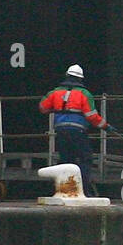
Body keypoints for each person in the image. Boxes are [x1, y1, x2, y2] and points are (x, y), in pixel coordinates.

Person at [39, 64, 109, 195]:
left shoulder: (55, 92)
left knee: (66, 159)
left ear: (66, 76)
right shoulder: (84, 94)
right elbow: (92, 116)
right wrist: (105, 126)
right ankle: (84, 190)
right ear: (80, 79)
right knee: (85, 158)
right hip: (78, 131)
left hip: (60, 130)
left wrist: (55, 107)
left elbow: (43, 107)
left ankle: (65, 190)